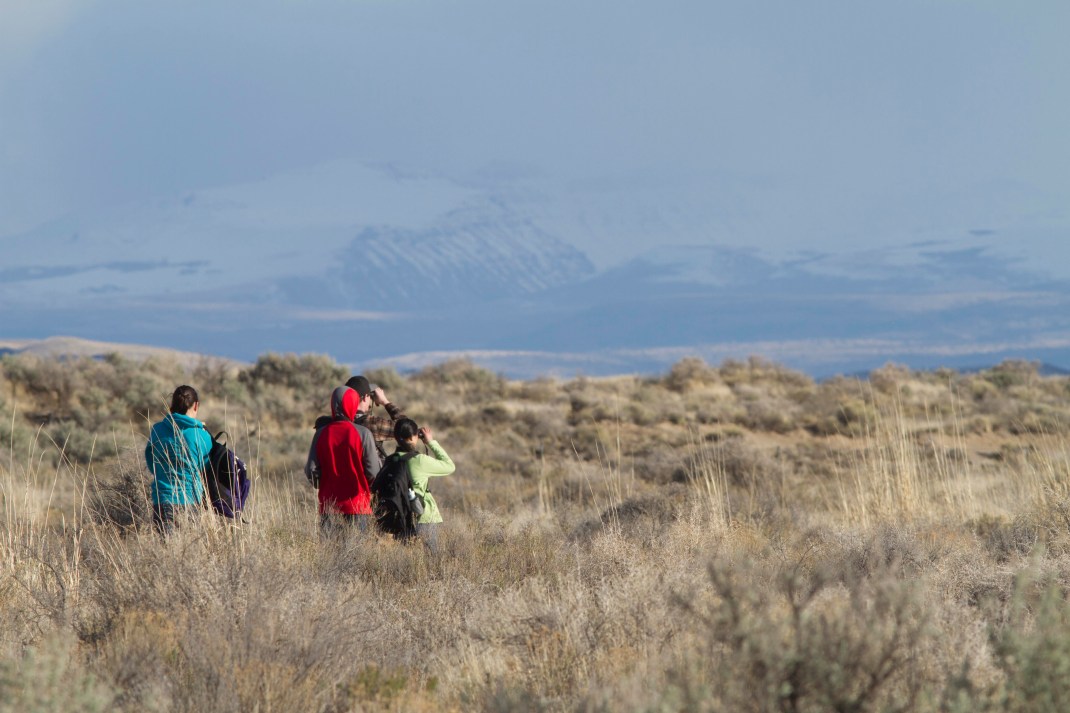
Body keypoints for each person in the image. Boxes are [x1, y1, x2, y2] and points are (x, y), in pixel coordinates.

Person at [306, 385, 381, 534]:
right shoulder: (363, 433)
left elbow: (311, 471)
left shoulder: (320, 433)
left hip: (329, 505)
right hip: (358, 504)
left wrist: (323, 485)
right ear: (352, 404)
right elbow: (374, 471)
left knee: (331, 554)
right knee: (357, 554)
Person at [144, 385, 212, 534]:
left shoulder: (157, 430)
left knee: (166, 548)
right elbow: (206, 467)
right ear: (196, 405)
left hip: (163, 498)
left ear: (172, 406)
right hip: (191, 499)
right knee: (189, 550)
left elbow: (150, 460)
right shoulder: (202, 435)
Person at [390, 418, 455, 553]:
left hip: (399, 517)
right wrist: (431, 442)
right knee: (431, 559)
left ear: (396, 437)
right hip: (423, 515)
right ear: (415, 437)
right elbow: (449, 466)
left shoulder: (391, 460)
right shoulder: (420, 461)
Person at [313, 375, 407, 462]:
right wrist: (385, 402)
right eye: (370, 396)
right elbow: (406, 428)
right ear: (366, 398)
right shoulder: (373, 423)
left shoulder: (328, 424)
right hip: (371, 478)